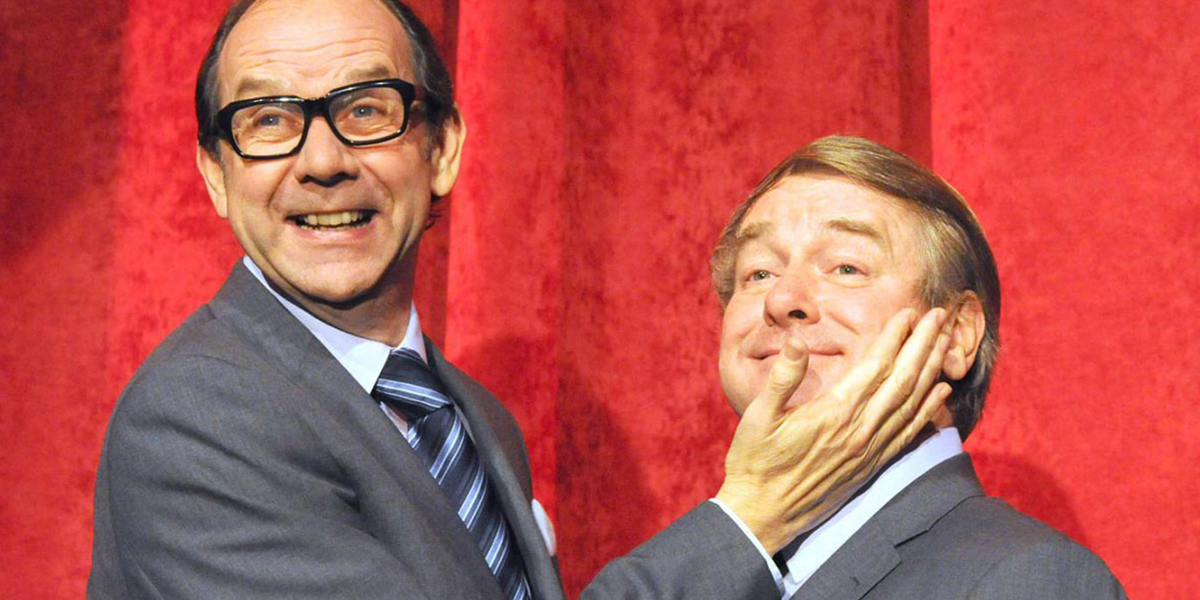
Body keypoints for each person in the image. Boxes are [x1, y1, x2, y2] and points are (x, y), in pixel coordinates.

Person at [87, 1, 951, 599]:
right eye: (269, 120)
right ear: (214, 174)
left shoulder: (476, 421)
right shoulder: (196, 418)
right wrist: (753, 515)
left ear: (443, 151)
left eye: (365, 109)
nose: (321, 161)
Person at [710, 135, 1127, 599]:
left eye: (846, 267)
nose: (782, 298)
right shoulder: (704, 568)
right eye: (759, 273)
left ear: (955, 334)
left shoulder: (1029, 579)